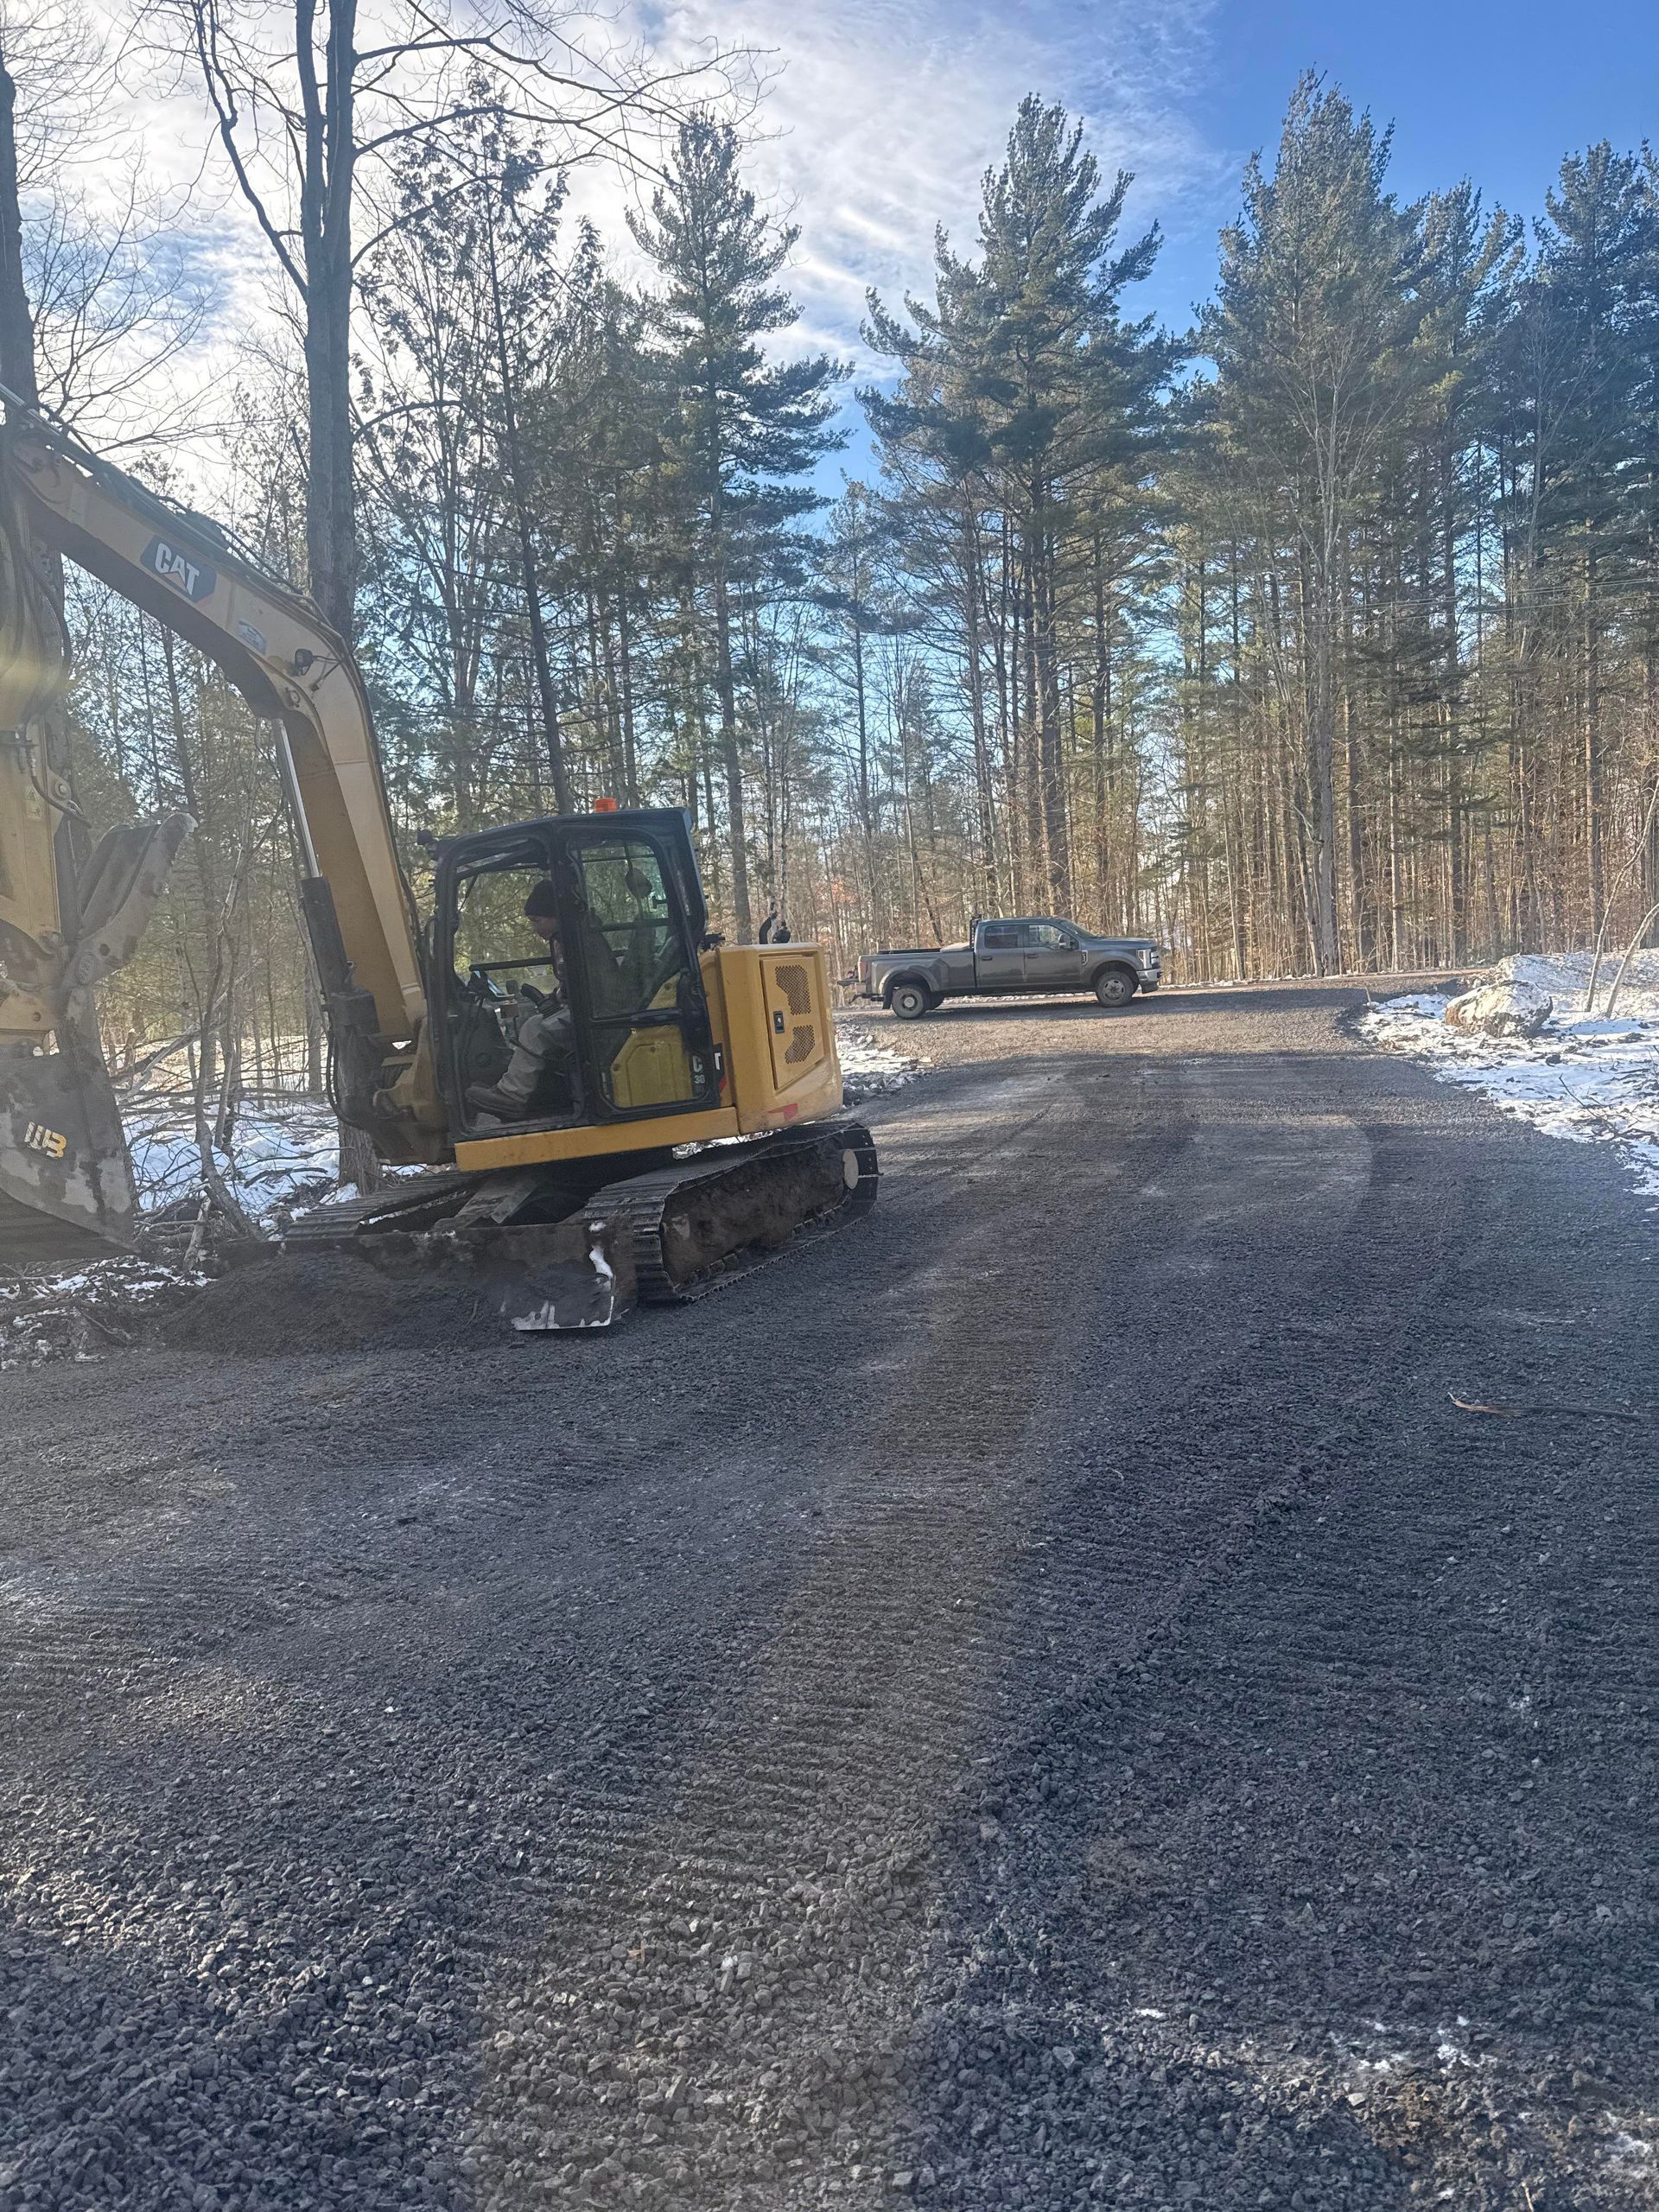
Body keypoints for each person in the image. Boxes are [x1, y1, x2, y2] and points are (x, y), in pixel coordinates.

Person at [467, 880, 577, 1121]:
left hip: (590, 1018)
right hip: (581, 1010)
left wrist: (559, 998)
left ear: (554, 914)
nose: (536, 929)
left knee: (534, 1028)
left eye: (538, 920)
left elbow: (587, 983)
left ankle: (512, 1095)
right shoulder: (569, 938)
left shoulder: (577, 941)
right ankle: (512, 1088)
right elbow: (576, 982)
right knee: (532, 1018)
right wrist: (557, 996)